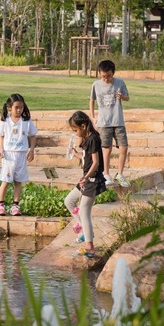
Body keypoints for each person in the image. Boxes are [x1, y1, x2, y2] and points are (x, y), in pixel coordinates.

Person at [64, 110, 107, 258]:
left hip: (92, 180)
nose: (75, 133)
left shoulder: (93, 139)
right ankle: (84, 229)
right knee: (69, 201)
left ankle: (90, 247)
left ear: (83, 126)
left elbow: (95, 163)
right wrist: (75, 153)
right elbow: (86, 159)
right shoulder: (87, 139)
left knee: (84, 211)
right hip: (86, 180)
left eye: (76, 130)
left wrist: (86, 177)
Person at [89, 59, 130, 188]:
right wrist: (93, 117)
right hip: (104, 122)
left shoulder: (120, 83)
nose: (106, 79)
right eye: (103, 77)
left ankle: (120, 174)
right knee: (106, 149)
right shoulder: (96, 85)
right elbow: (92, 100)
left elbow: (127, 97)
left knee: (123, 147)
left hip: (118, 120)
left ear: (113, 73)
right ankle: (106, 173)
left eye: (109, 76)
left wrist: (122, 97)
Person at [0, 94, 38, 216]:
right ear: (10, 108)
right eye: (16, 107)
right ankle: (0, 204)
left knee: (18, 181)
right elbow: (1, 136)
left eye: (21, 107)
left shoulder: (26, 121)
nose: (19, 110)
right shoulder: (5, 121)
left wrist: (32, 149)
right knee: (5, 180)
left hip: (21, 154)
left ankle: (15, 205)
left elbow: (33, 136)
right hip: (9, 155)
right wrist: (1, 149)